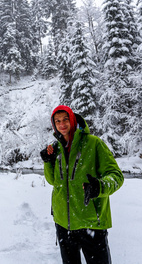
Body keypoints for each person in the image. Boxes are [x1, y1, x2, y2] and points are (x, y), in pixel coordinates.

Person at [40, 105, 124, 264]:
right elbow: (53, 181)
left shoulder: (93, 143)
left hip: (90, 222)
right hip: (63, 224)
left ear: (72, 119)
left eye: (65, 119)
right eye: (57, 121)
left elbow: (116, 176)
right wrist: (48, 162)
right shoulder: (56, 147)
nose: (62, 124)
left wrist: (100, 187)